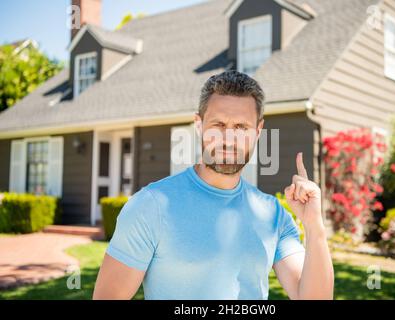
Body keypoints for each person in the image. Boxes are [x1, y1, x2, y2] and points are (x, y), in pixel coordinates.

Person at [93, 70, 334, 300]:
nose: (229, 138)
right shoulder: (151, 205)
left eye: (241, 127)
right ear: (199, 125)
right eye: (219, 125)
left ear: (258, 131)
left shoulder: (273, 214)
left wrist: (314, 227)